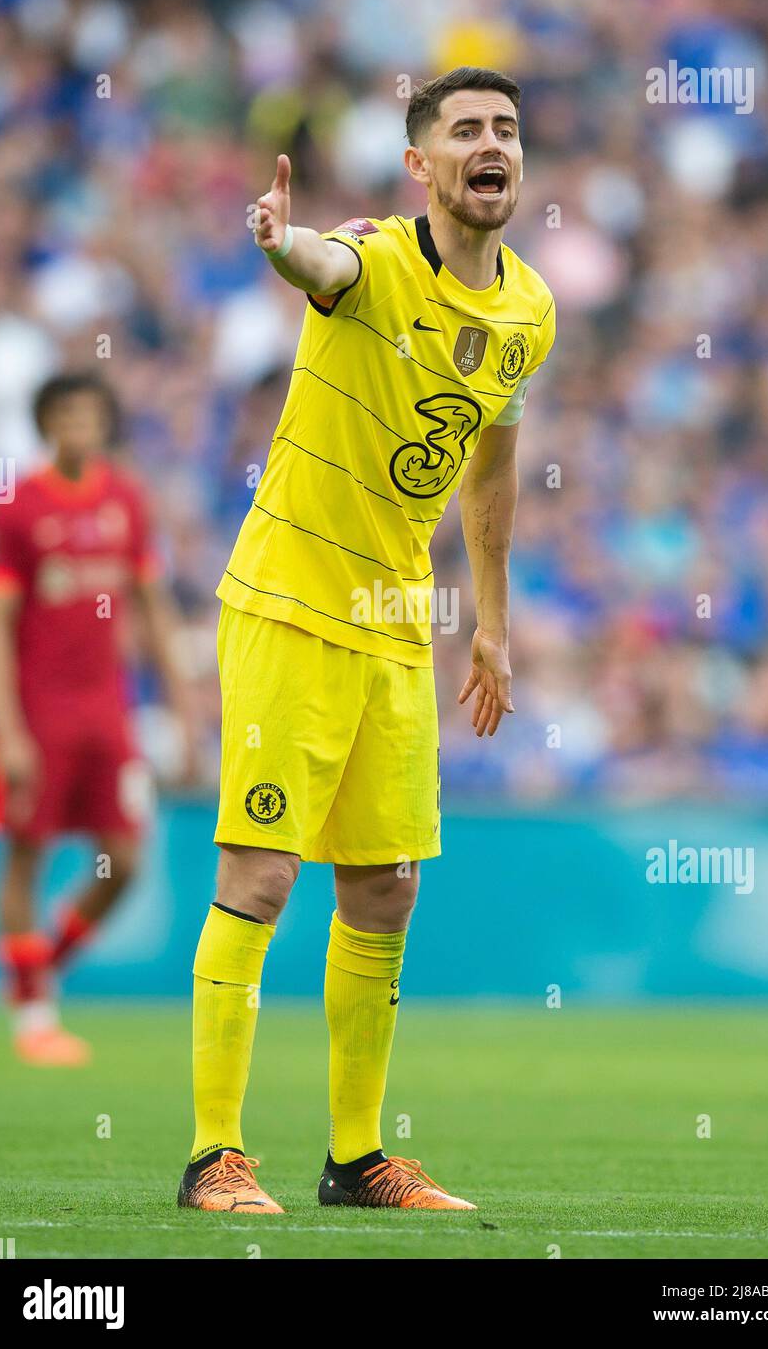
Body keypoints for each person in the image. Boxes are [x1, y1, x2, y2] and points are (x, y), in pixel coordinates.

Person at [180, 67, 556, 1214]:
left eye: (505, 128)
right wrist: (280, 242)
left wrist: (489, 623)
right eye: (464, 130)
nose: (489, 144)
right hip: (291, 597)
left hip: (398, 620)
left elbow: (491, 467)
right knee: (258, 868)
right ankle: (214, 1156)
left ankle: (354, 1160)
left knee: (385, 888)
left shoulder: (528, 312)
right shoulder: (374, 255)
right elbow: (322, 267)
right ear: (421, 164)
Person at [0, 373, 196, 1065]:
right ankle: (35, 1016)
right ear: (46, 423)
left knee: (124, 860)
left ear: (106, 424)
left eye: (92, 414)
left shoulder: (125, 501)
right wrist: (5, 730)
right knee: (26, 856)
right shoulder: (15, 508)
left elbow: (154, 610)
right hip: (38, 713)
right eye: (67, 413)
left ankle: (41, 968)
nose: (80, 424)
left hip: (109, 711)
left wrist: (185, 705)